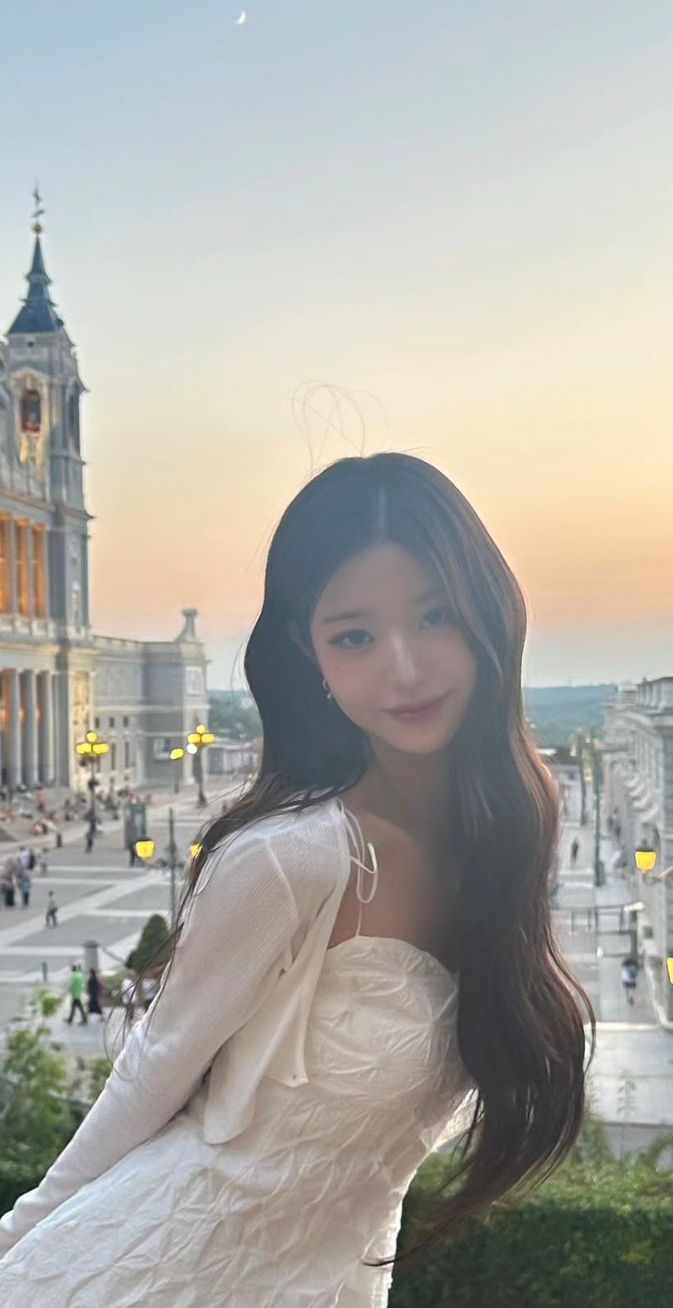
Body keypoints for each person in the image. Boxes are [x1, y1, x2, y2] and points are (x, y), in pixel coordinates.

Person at [0, 453, 594, 1303]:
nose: (404, 666)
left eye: (435, 616)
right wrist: (15, 1246)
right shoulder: (299, 857)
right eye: (354, 634)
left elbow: (369, 1194)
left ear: (489, 612)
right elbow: (151, 1075)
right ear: (307, 654)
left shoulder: (498, 839)